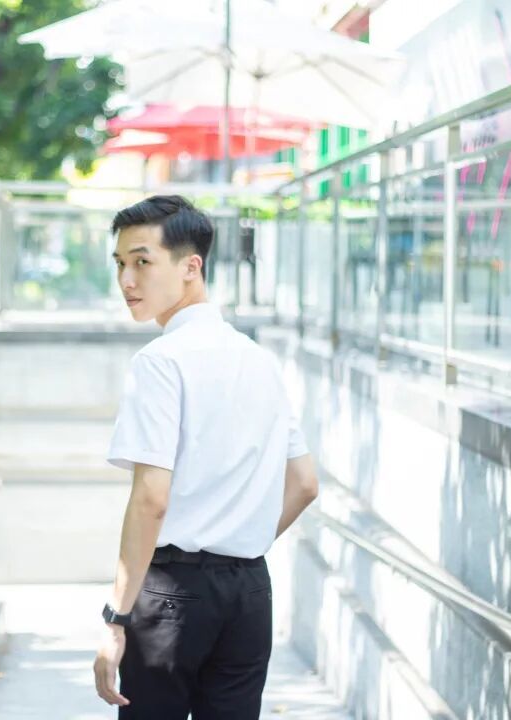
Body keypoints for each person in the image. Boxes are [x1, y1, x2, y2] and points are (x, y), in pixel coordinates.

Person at [93, 195, 320, 718]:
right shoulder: (260, 361)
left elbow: (150, 498)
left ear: (191, 266)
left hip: (173, 595)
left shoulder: (159, 361)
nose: (127, 280)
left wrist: (116, 618)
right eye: (120, 263)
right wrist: (238, 540)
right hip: (249, 591)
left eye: (143, 262)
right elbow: (305, 483)